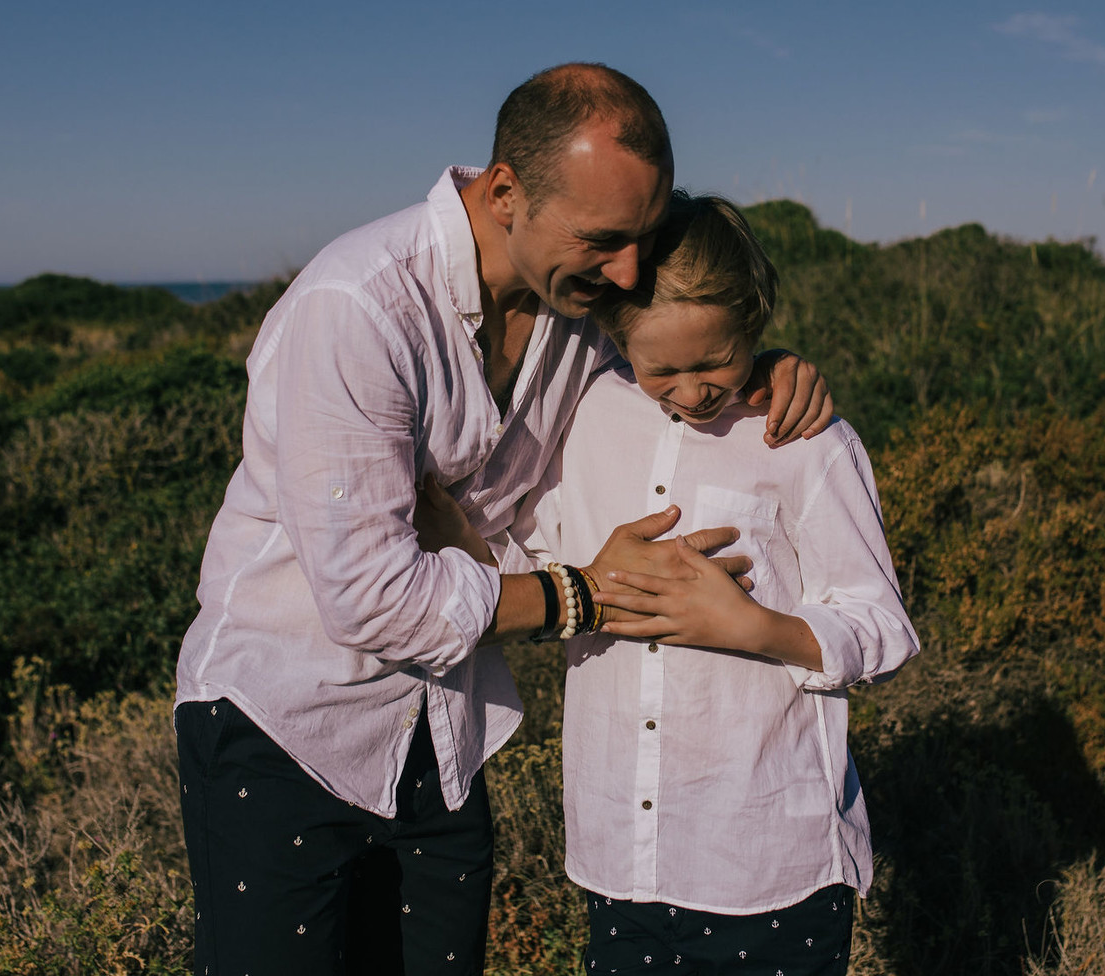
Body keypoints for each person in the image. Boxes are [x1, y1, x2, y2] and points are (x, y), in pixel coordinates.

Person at [172, 63, 835, 976]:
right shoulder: (358, 309)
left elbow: (675, 342)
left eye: (644, 238)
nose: (628, 271)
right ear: (506, 191)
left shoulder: (582, 302)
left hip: (441, 729)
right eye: (604, 240)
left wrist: (765, 366)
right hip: (287, 724)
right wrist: (581, 596)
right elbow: (372, 603)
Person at [427, 192, 919, 974]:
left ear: (755, 326)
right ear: (617, 336)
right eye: (663, 368)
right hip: (620, 856)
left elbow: (883, 627)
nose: (691, 391)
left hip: (768, 860)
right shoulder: (583, 420)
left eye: (715, 360)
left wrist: (756, 628)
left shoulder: (802, 442)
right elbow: (530, 561)